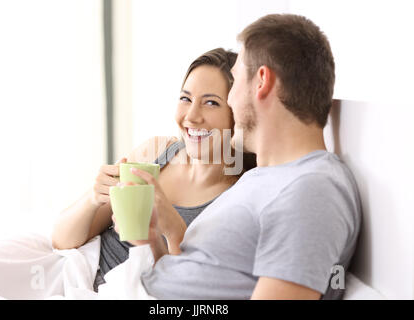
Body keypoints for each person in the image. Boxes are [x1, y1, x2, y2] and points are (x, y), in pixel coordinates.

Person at [133, 14, 362, 300]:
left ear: (262, 81)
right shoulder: (264, 177)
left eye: (236, 81)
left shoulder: (312, 190)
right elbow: (196, 275)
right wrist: (156, 238)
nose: (229, 100)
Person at [50, 48, 257, 292]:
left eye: (211, 103)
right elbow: (62, 241)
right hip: (78, 281)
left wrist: (173, 228)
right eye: (185, 99)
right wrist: (93, 198)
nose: (191, 116)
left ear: (237, 112)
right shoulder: (155, 154)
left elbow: (193, 290)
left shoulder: (239, 195)